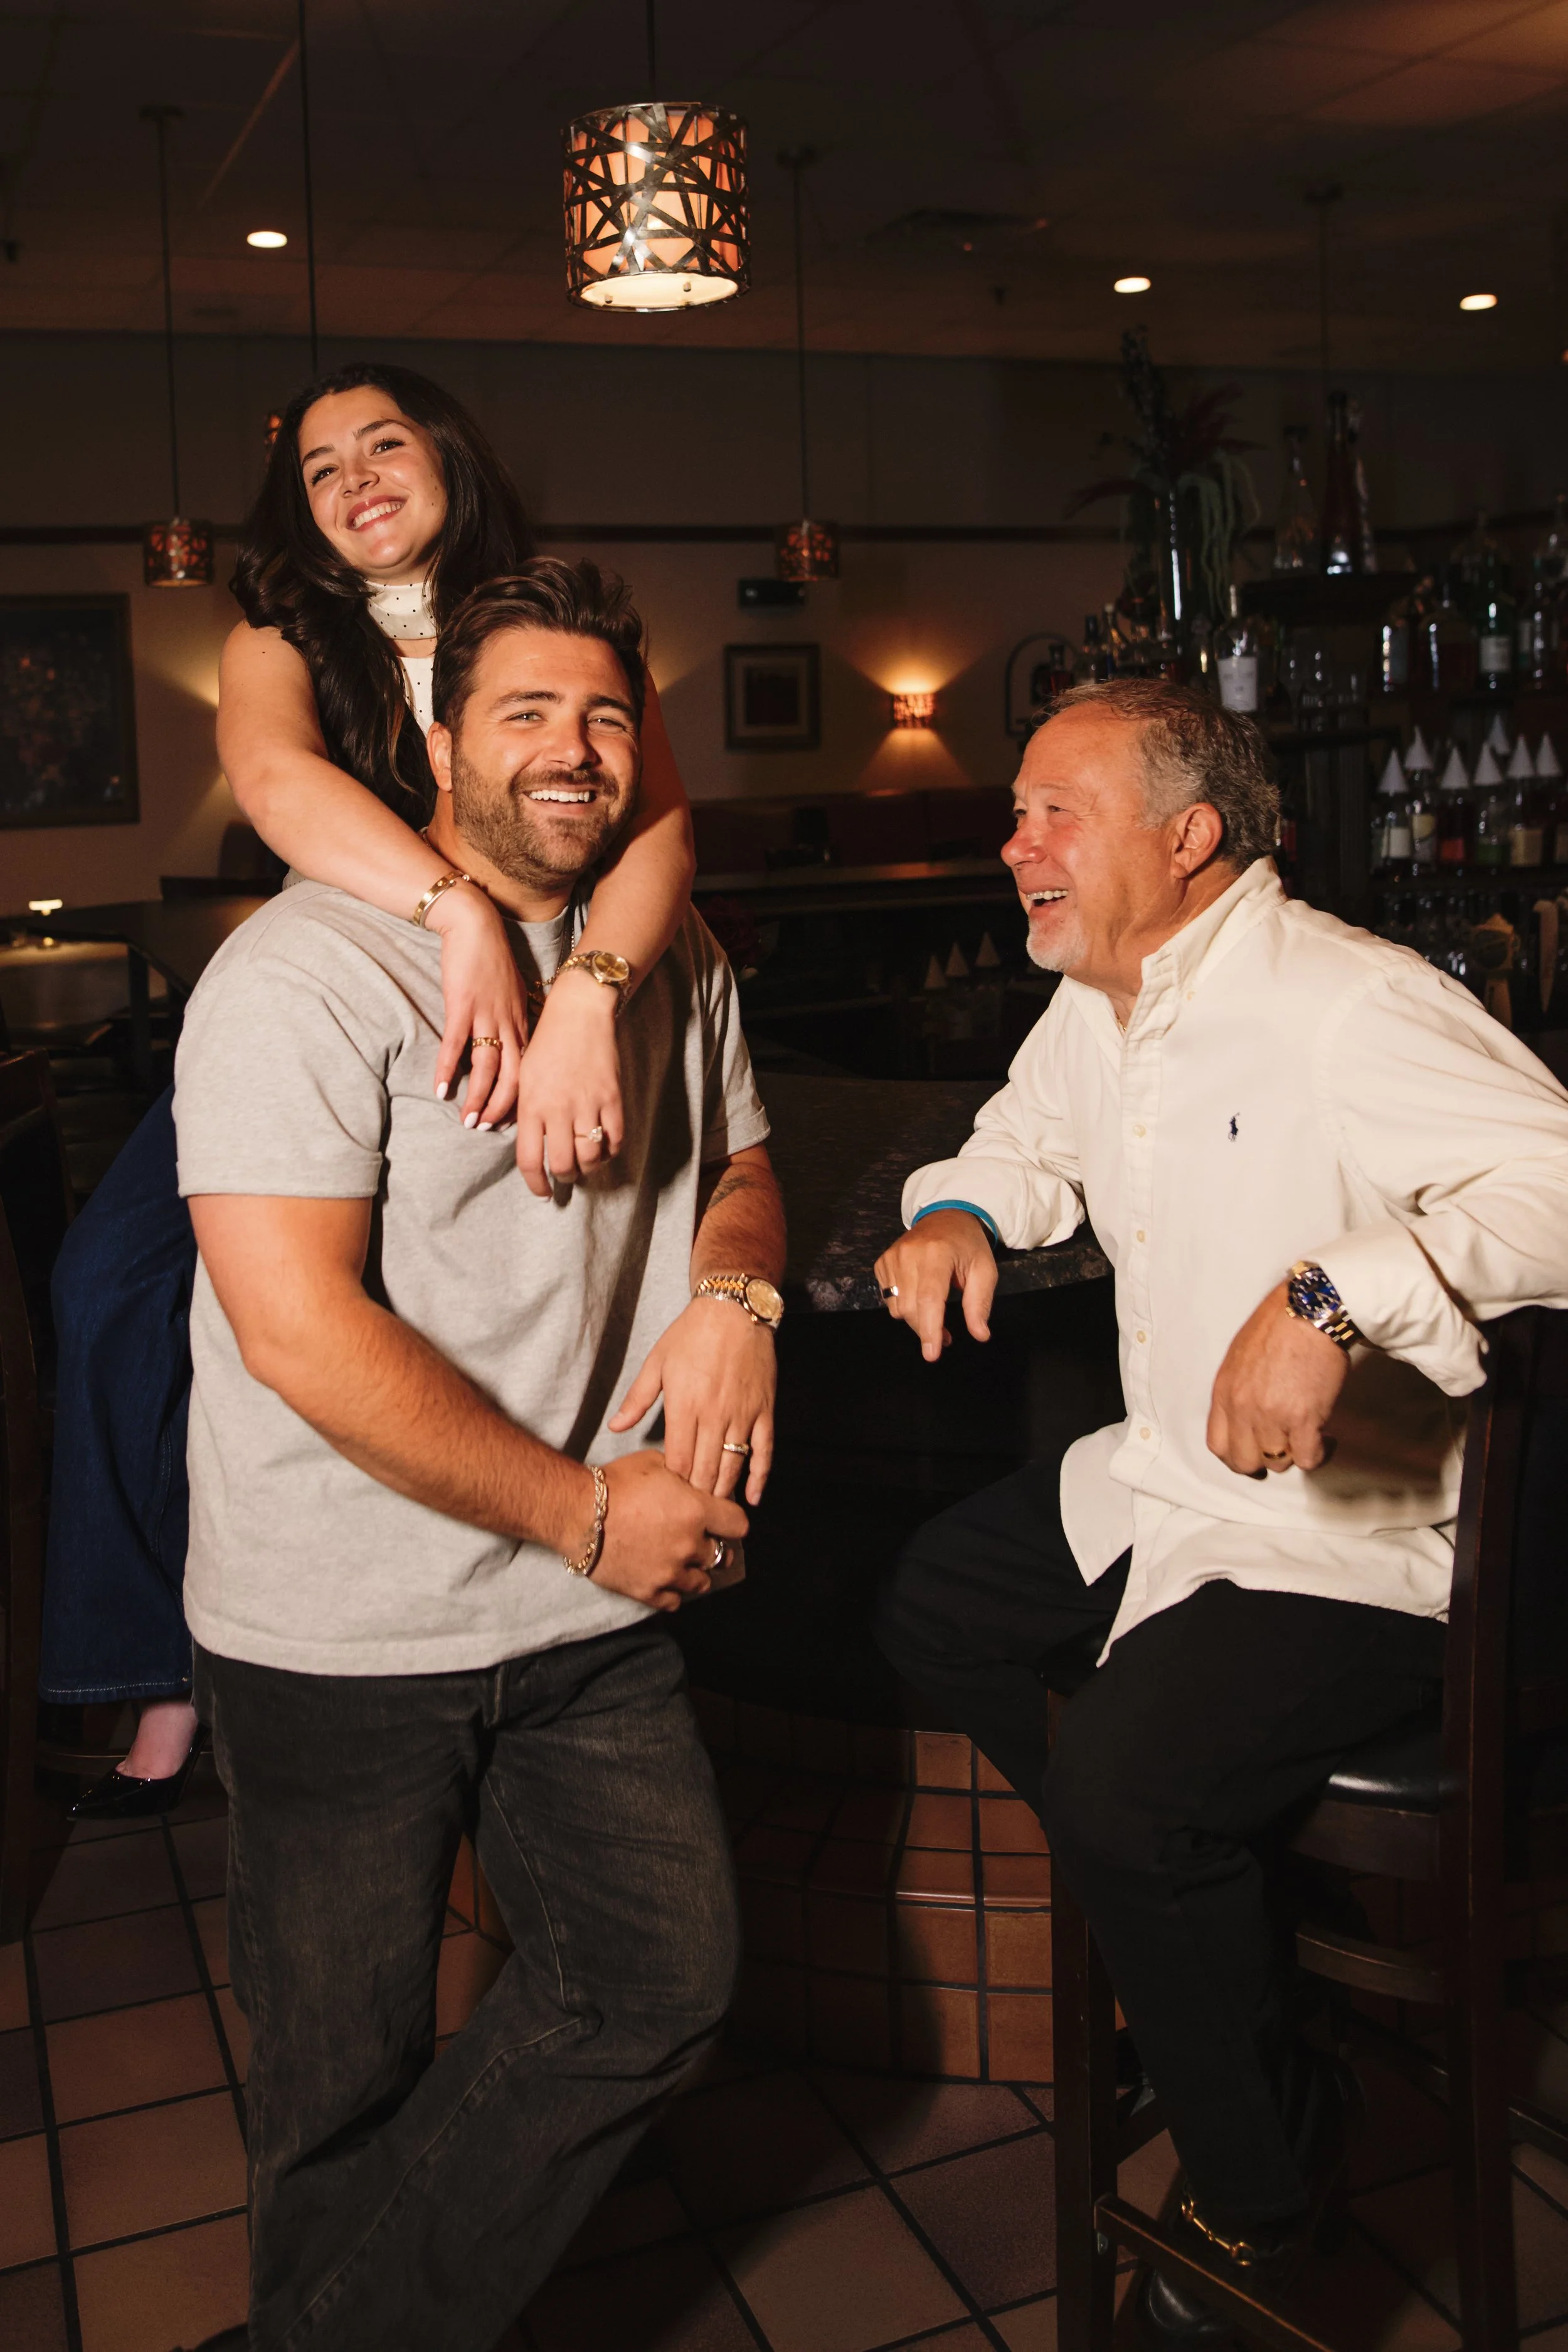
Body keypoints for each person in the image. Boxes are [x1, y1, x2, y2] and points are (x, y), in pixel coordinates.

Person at [871, 677, 1568, 2342]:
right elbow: (1019, 1142)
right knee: (935, 1606)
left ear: (1186, 839)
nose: (1012, 839)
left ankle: (1263, 2183)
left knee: (1119, 1781)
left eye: (1056, 810)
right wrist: (962, 1211)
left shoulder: (1341, 999)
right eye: (1017, 807)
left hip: (1359, 1537)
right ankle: (1203, 1945)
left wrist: (1333, 1292)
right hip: (1173, 1469)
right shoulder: (1099, 996)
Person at [173, 559, 784, 2352]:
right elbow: (296, 1326)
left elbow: (740, 1160)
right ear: (441, 742)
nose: (572, 748)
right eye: (523, 711)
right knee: (338, 2089)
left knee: (659, 1979)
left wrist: (735, 1293)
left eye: (604, 713)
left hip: (582, 1613)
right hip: (337, 1623)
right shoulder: (303, 967)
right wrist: (593, 1510)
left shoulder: (666, 948)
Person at [41, 363, 696, 1812]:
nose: (352, 479)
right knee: (105, 1291)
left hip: (539, 994)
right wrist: (456, 909)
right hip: (338, 1003)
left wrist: (586, 990)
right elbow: (274, 783)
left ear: (450, 459)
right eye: (320, 466)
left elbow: (660, 830)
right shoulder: (281, 626)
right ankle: (158, 1662)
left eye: (381, 444)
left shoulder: (558, 619)